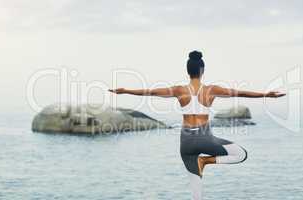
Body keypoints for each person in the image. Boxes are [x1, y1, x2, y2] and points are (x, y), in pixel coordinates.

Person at [109, 50, 285, 200]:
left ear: (188, 71)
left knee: (196, 194)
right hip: (204, 138)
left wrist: (125, 91)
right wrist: (266, 95)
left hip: (185, 143)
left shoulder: (179, 90)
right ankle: (206, 161)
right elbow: (241, 93)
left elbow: (150, 92)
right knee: (241, 154)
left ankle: (201, 163)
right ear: (202, 71)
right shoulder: (211, 90)